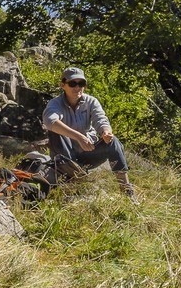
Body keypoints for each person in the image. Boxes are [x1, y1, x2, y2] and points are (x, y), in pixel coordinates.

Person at [43, 66, 135, 199]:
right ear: (63, 85)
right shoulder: (55, 103)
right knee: (55, 131)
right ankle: (72, 173)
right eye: (73, 83)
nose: (77, 87)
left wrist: (106, 132)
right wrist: (78, 136)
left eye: (81, 83)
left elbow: (101, 120)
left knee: (113, 141)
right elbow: (49, 121)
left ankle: (126, 190)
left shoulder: (91, 101)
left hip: (88, 152)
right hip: (65, 156)